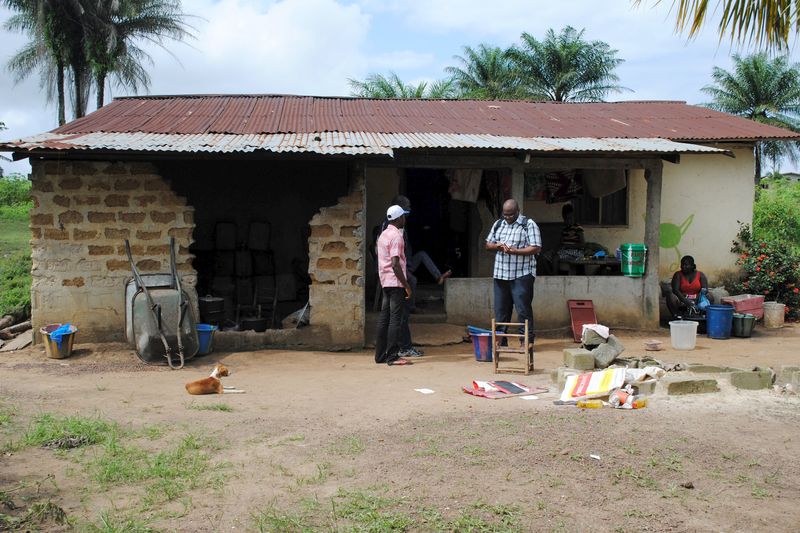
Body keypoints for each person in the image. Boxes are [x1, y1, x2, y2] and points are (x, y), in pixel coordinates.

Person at [485, 199, 542, 341]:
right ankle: (500, 342)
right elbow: (488, 244)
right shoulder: (498, 224)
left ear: (517, 212)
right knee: (501, 312)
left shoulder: (528, 225)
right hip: (501, 274)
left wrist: (515, 251)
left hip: (521, 274)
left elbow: (536, 247)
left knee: (523, 311)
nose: (507, 217)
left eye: (510, 214)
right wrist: (498, 246)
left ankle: (526, 342)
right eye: (505, 215)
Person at [374, 205, 414, 366]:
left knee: (384, 318)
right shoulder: (397, 236)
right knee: (395, 320)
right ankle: (392, 356)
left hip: (385, 281)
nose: (405, 219)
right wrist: (406, 285)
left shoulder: (383, 234)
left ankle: (380, 355)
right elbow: (396, 264)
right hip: (395, 282)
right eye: (403, 216)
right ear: (398, 219)